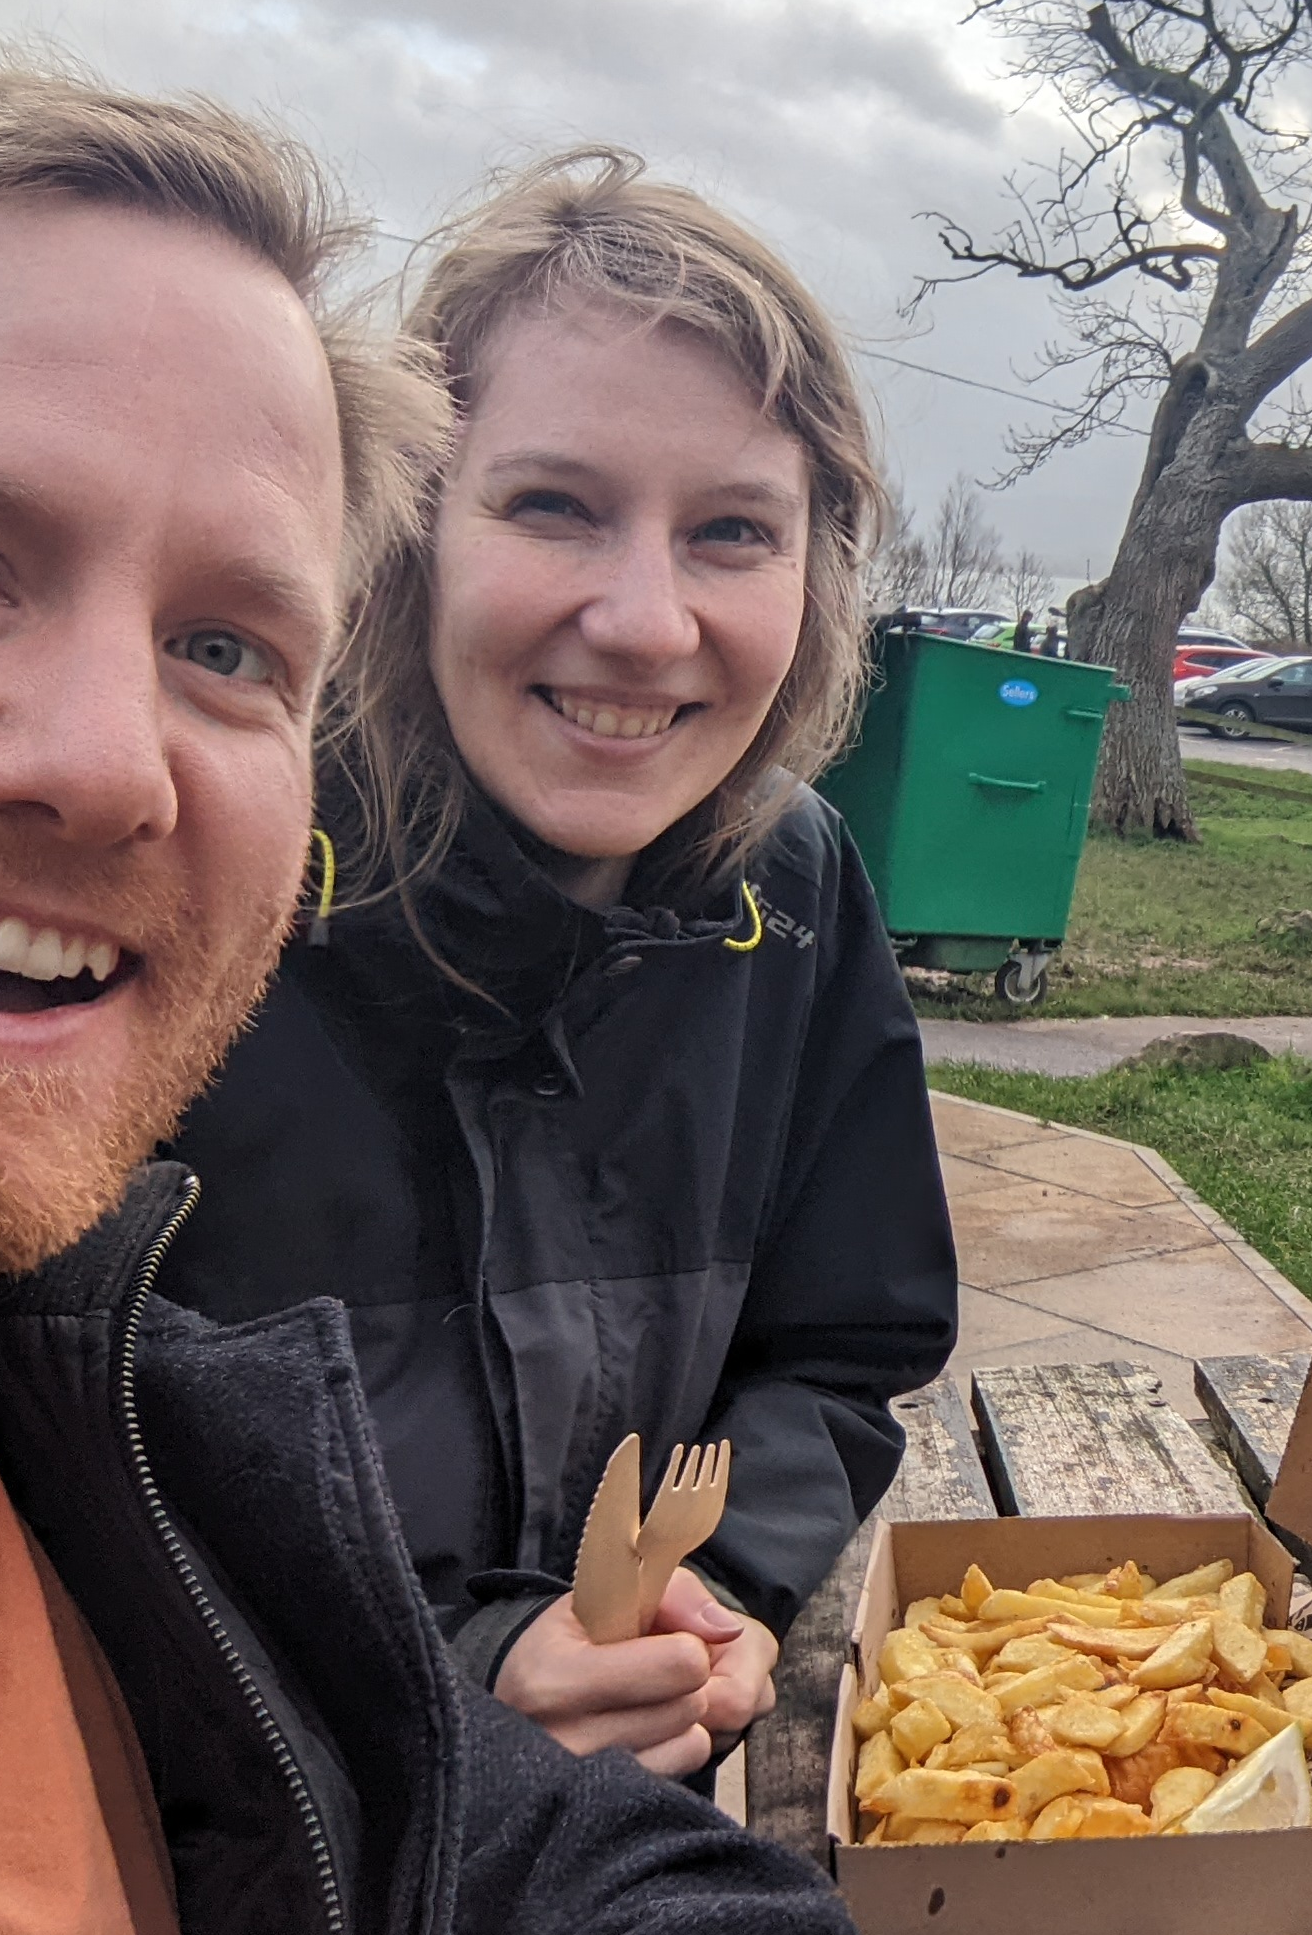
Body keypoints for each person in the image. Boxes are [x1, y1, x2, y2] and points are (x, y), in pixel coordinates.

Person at [0, 63, 898, 1935]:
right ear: (402, 566)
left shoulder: (3, 1349)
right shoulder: (163, 987)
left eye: (217, 647)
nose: (110, 766)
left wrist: (696, 1605)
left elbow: (629, 1924)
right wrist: (453, 1663)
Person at [161, 150, 957, 1781]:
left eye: (731, 530)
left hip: (614, 1831)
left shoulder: (794, 888)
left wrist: (707, 1586)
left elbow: (843, 1346)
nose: (647, 620)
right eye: (553, 505)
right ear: (406, 531)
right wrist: (443, 1669)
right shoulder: (191, 864)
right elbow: (27, 1461)